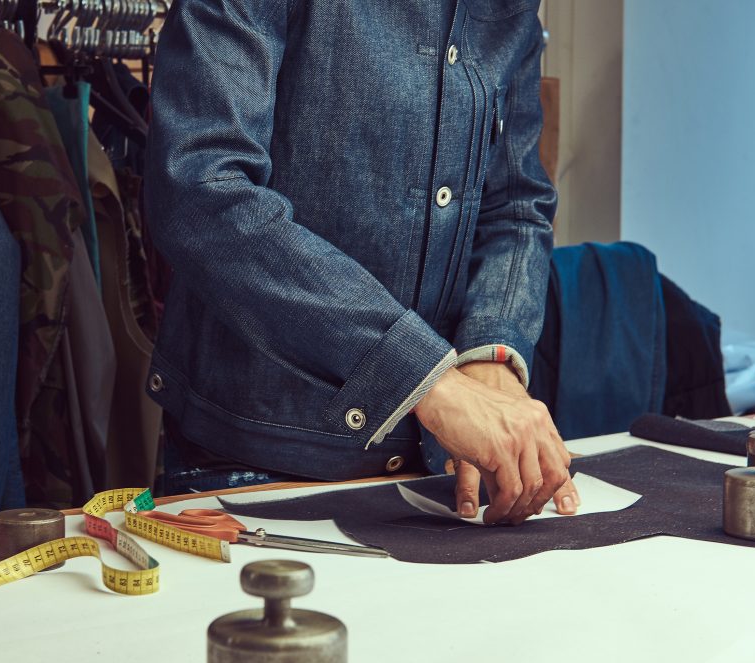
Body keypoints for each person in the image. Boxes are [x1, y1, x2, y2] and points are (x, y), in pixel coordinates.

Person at [144, 0, 580, 525]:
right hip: (255, 460)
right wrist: (423, 377)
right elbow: (201, 193)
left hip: (441, 468)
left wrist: (490, 354)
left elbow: (515, 206)